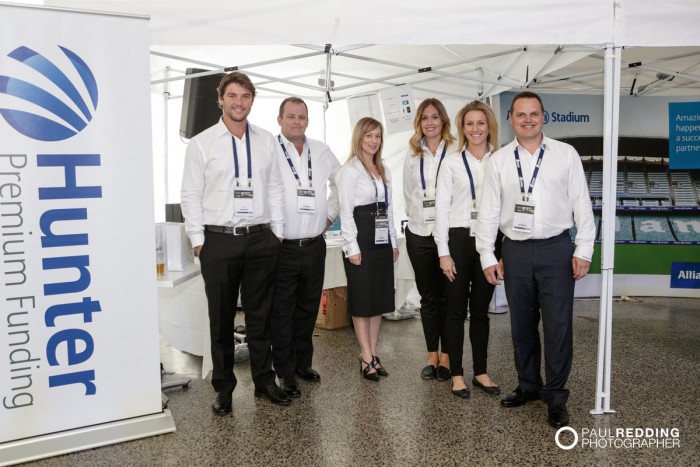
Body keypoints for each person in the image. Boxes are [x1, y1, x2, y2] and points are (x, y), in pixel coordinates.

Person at [475, 91, 595, 427]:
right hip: (514, 250)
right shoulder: (498, 160)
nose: (528, 120)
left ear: (544, 117)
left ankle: (555, 396)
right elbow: (488, 211)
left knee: (557, 326)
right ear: (511, 118)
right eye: (521, 114)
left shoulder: (565, 155)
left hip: (556, 249)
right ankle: (528, 385)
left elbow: (582, 204)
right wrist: (487, 254)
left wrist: (583, 249)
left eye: (534, 114)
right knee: (522, 326)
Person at [180, 71, 292, 415]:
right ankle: (224, 388)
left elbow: (275, 186)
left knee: (261, 316)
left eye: (245, 96)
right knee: (222, 318)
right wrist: (199, 242)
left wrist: (278, 231)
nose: (238, 102)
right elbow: (191, 194)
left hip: (261, 239)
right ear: (220, 100)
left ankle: (263, 381)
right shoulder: (202, 143)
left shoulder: (266, 141)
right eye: (232, 96)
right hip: (220, 241)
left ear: (252, 101)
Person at [270, 97, 341, 398]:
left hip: (315, 245)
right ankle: (284, 372)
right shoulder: (268, 151)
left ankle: (303, 364)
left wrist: (330, 215)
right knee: (282, 312)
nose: (296, 122)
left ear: (307, 120)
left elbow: (343, 182)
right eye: (291, 117)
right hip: (282, 247)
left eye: (301, 117)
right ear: (280, 120)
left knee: (308, 308)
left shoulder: (322, 151)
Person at [434, 100, 501, 399]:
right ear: (462, 128)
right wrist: (443, 252)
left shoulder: (500, 161)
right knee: (455, 310)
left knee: (482, 312)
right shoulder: (450, 162)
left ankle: (481, 371)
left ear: (489, 127)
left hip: (490, 240)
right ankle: (458, 374)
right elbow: (441, 210)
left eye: (481, 123)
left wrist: (504, 253)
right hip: (458, 240)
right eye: (470, 123)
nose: (475, 129)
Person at [336, 117, 399, 381]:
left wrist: (394, 242)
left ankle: (373, 354)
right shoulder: (348, 170)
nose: (374, 141)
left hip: (382, 240)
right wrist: (352, 246)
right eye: (369, 135)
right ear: (359, 137)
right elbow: (346, 211)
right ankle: (365, 356)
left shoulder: (383, 168)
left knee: (378, 301)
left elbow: (390, 209)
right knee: (363, 301)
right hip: (360, 239)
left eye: (378, 136)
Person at [402, 98, 454, 381]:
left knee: (448, 297)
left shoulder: (456, 151)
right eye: (424, 118)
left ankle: (447, 356)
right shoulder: (412, 156)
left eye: (435, 117)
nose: (430, 123)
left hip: (447, 234)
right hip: (419, 233)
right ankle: (431, 355)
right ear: (419, 123)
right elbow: (408, 193)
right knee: (428, 298)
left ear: (443, 120)